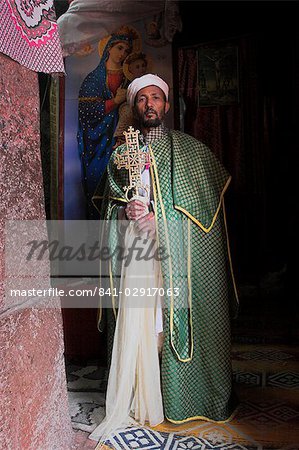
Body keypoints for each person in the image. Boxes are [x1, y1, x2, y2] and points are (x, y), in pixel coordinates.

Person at [90, 74, 239, 444]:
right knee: (140, 326)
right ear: (134, 106)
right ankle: (142, 393)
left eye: (156, 98)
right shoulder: (120, 153)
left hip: (176, 257)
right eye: (142, 99)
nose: (150, 105)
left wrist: (163, 220)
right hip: (137, 259)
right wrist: (127, 213)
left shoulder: (192, 151)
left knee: (168, 322)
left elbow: (205, 215)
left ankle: (178, 394)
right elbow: (112, 207)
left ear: (167, 105)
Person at [77, 26, 139, 219]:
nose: (123, 54)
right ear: (109, 48)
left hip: (121, 143)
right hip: (96, 144)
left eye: (127, 51)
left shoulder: (129, 78)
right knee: (97, 185)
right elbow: (87, 112)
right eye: (120, 48)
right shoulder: (93, 79)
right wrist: (115, 101)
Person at [113, 52, 151, 147]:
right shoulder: (127, 84)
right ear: (131, 70)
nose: (141, 69)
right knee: (128, 112)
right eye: (137, 67)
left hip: (145, 108)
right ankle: (121, 140)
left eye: (143, 66)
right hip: (129, 107)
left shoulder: (150, 83)